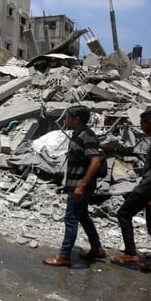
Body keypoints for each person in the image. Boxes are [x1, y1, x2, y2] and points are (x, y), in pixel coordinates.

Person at [110, 110, 151, 277]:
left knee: (123, 214)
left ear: (149, 122)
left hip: (148, 188)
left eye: (142, 123)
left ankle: (131, 253)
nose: (141, 127)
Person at [44, 105, 105, 267]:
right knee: (83, 216)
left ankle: (64, 256)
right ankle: (97, 248)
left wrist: (81, 186)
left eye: (68, 117)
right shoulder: (78, 135)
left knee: (71, 219)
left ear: (77, 119)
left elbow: (96, 161)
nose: (66, 120)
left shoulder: (87, 136)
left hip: (80, 186)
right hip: (76, 185)